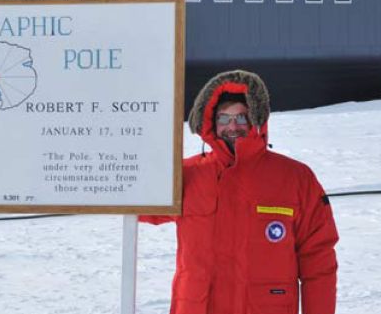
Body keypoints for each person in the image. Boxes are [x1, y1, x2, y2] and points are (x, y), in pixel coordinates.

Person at [140, 70, 339, 314]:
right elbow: (136, 203)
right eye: (223, 118)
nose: (232, 126)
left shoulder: (295, 178)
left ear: (257, 118)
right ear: (211, 122)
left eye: (242, 118)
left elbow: (318, 260)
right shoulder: (187, 174)